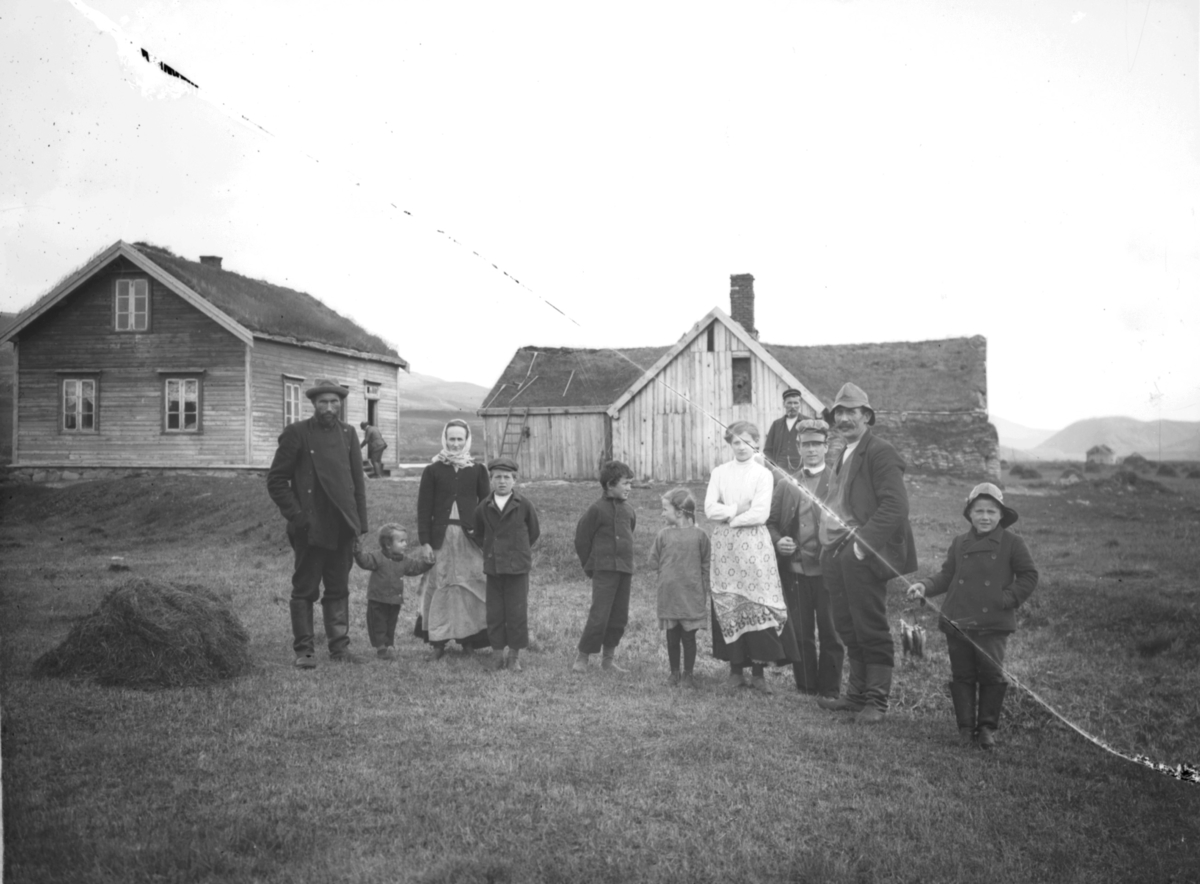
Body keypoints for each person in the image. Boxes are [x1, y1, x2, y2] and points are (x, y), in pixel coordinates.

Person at [907, 484, 1038, 749]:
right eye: (979, 511)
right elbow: (947, 575)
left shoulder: (1013, 543)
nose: (985, 517)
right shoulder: (959, 542)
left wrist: (1005, 599)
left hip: (993, 623)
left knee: (991, 674)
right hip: (958, 619)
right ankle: (965, 729)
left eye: (991, 511)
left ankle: (987, 729)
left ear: (1001, 515)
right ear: (970, 513)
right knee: (962, 674)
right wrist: (925, 586)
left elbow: (1029, 576)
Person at [817, 383, 917, 723]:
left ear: (867, 416)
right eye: (838, 413)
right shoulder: (843, 451)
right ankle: (856, 696)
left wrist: (864, 545)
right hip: (837, 552)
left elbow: (896, 506)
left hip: (863, 553)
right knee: (847, 624)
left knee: (870, 623)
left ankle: (876, 701)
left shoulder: (880, 451)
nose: (843, 419)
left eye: (851, 412)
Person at [267, 378, 369, 668]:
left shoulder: (349, 434)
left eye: (334, 402)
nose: (328, 407)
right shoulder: (297, 433)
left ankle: (340, 649)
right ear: (313, 404)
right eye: (323, 402)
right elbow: (276, 480)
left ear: (341, 404)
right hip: (310, 527)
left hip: (341, 525)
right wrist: (298, 516)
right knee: (305, 590)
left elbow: (356, 483)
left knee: (338, 588)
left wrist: (360, 525)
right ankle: (306, 652)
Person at [705, 421, 797, 693]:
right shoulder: (720, 472)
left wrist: (730, 518)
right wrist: (736, 508)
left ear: (756, 443)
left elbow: (760, 514)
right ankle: (735, 669)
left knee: (758, 602)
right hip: (726, 549)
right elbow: (710, 509)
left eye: (746, 442)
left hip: (754, 545)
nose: (741, 447)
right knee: (730, 599)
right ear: (729, 444)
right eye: (736, 442)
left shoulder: (763, 474)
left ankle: (758, 672)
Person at [766, 418, 845, 698]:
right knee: (801, 632)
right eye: (806, 444)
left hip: (828, 571)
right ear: (798, 447)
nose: (811, 450)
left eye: (816, 444)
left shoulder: (839, 482)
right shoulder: (787, 484)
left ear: (826, 447)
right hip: (797, 571)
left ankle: (830, 688)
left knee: (831, 632)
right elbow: (772, 522)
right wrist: (779, 541)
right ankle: (806, 686)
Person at [413, 420, 492, 661]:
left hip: (470, 539)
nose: (455, 444)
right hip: (441, 539)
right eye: (451, 438)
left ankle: (469, 639)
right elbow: (424, 509)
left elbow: (486, 506)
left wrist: (486, 539)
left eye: (460, 439)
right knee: (440, 585)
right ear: (444, 439)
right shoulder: (433, 470)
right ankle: (438, 640)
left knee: (471, 585)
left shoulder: (477, 470)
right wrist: (425, 542)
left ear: (467, 440)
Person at [473, 456, 541, 672]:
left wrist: (516, 552)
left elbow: (533, 532)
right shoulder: (483, 507)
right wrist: (494, 552)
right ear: (491, 480)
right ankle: (496, 655)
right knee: (494, 612)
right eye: (497, 477)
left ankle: (514, 656)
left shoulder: (524, 505)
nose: (502, 481)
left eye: (506, 477)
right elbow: (478, 535)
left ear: (514, 480)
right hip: (494, 569)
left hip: (517, 568)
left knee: (516, 612)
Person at [572, 461, 637, 673]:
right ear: (610, 484)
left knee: (619, 616)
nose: (629, 488)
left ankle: (608, 660)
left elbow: (630, 533)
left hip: (624, 570)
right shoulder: (596, 510)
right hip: (603, 571)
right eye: (625, 483)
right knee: (599, 615)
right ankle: (583, 656)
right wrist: (590, 567)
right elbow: (582, 539)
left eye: (630, 484)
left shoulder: (629, 510)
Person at [648, 487, 711, 687]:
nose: (662, 513)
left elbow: (706, 565)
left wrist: (703, 588)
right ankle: (674, 673)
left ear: (679, 512)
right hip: (669, 595)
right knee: (672, 636)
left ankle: (688, 674)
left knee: (688, 637)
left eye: (665, 509)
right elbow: (653, 561)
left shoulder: (700, 536)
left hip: (691, 595)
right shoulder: (663, 535)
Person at [353, 523, 433, 659]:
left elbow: (415, 567)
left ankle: (388, 646)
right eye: (401, 541)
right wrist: (358, 552)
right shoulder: (377, 557)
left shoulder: (403, 560)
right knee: (378, 624)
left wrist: (427, 564)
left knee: (391, 624)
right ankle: (381, 648)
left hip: (394, 601)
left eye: (406, 541)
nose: (405, 544)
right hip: (377, 600)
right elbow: (364, 562)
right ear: (388, 545)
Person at [763, 388, 807, 473]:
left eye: (795, 403)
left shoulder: (808, 422)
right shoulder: (776, 424)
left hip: (801, 469)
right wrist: (772, 468)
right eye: (789, 403)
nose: (793, 406)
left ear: (800, 404)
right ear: (784, 404)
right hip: (780, 469)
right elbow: (767, 450)